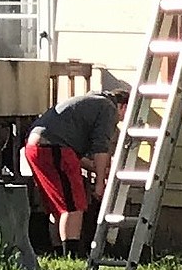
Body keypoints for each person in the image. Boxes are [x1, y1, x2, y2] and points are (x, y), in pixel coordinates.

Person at [24, 89, 131, 258]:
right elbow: (100, 149)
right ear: (123, 106)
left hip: (35, 147)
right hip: (54, 148)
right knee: (73, 206)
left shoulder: (89, 101)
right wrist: (100, 183)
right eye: (125, 115)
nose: (121, 120)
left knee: (57, 205)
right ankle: (72, 256)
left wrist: (97, 169)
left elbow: (74, 156)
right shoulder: (108, 108)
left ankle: (59, 253)